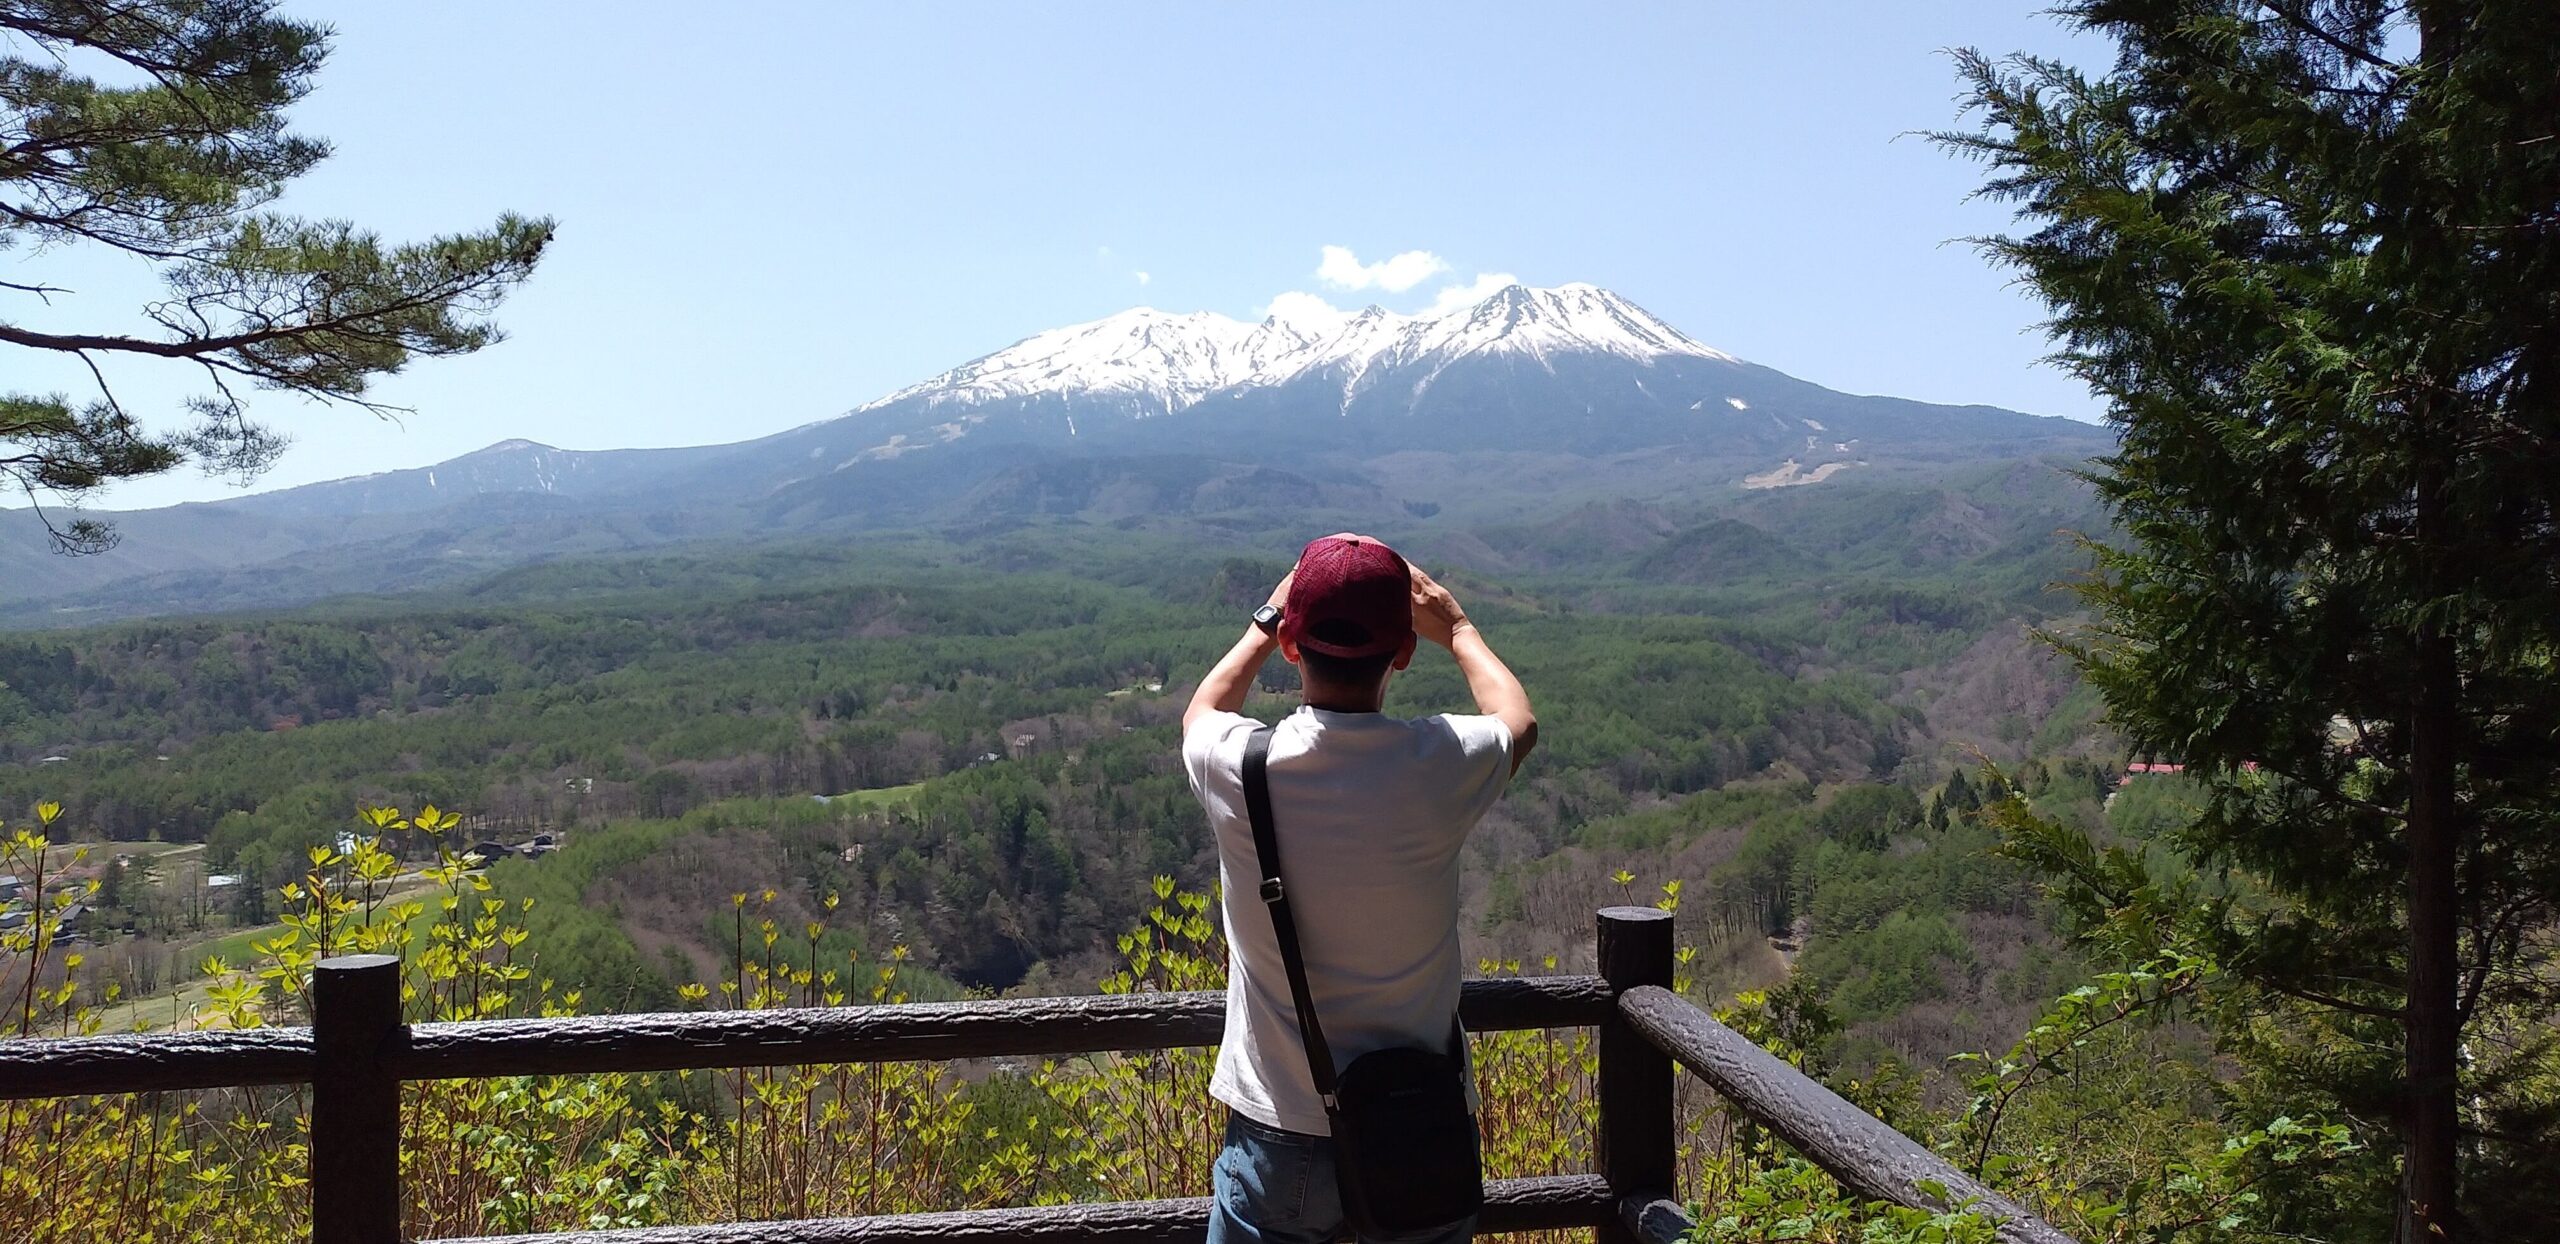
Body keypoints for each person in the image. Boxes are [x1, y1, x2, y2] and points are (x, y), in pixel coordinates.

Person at [1182, 532, 1538, 1244]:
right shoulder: (1438, 762)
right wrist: (1459, 628)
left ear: (1292, 644)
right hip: (1419, 1121)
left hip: (1278, 1124)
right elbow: (1517, 721)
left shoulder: (1237, 765)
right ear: (1402, 653)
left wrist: (1265, 617)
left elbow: (1202, 710)